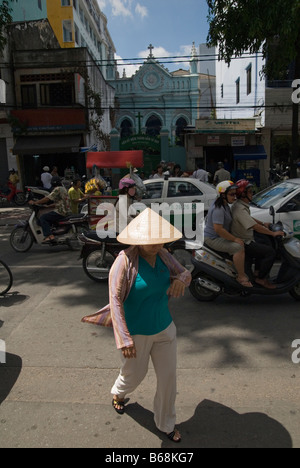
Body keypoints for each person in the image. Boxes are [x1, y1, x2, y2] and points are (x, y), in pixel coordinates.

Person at [82, 208, 191, 443]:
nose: (155, 244)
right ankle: (118, 392)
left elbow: (184, 273)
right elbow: (115, 302)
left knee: (168, 378)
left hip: (164, 329)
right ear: (138, 240)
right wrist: (124, 339)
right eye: (150, 240)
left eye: (159, 239)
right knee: (134, 375)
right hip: (136, 333)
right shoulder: (124, 262)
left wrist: (181, 280)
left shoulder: (164, 255)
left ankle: (166, 423)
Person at [231, 179, 285, 289]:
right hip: (244, 242)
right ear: (243, 194)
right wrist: (272, 233)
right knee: (270, 252)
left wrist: (264, 224)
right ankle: (261, 278)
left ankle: (257, 272)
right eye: (250, 192)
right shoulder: (240, 208)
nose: (252, 194)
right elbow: (254, 226)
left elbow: (250, 219)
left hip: (247, 237)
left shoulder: (241, 205)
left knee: (265, 243)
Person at [204, 181, 253, 288]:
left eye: (235, 194)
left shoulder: (224, 205)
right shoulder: (219, 209)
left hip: (219, 236)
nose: (234, 197)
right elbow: (219, 230)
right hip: (213, 238)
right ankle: (241, 276)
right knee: (238, 247)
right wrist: (235, 239)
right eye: (231, 194)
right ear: (223, 195)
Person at [29, 176, 71, 242]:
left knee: (43, 217)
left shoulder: (57, 189)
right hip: (66, 210)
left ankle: (49, 235)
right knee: (48, 216)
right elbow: (59, 202)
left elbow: (47, 198)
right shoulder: (63, 189)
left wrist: (35, 202)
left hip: (60, 212)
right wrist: (48, 206)